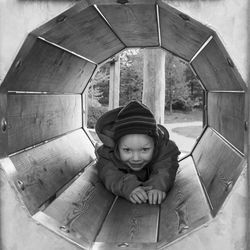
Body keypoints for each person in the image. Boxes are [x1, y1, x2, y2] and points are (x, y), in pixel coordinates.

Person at [95, 100, 180, 205]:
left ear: (155, 143)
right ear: (117, 146)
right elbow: (109, 173)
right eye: (127, 150)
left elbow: (165, 167)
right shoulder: (108, 154)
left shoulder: (163, 148)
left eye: (144, 149)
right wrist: (130, 187)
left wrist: (157, 186)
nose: (136, 158)